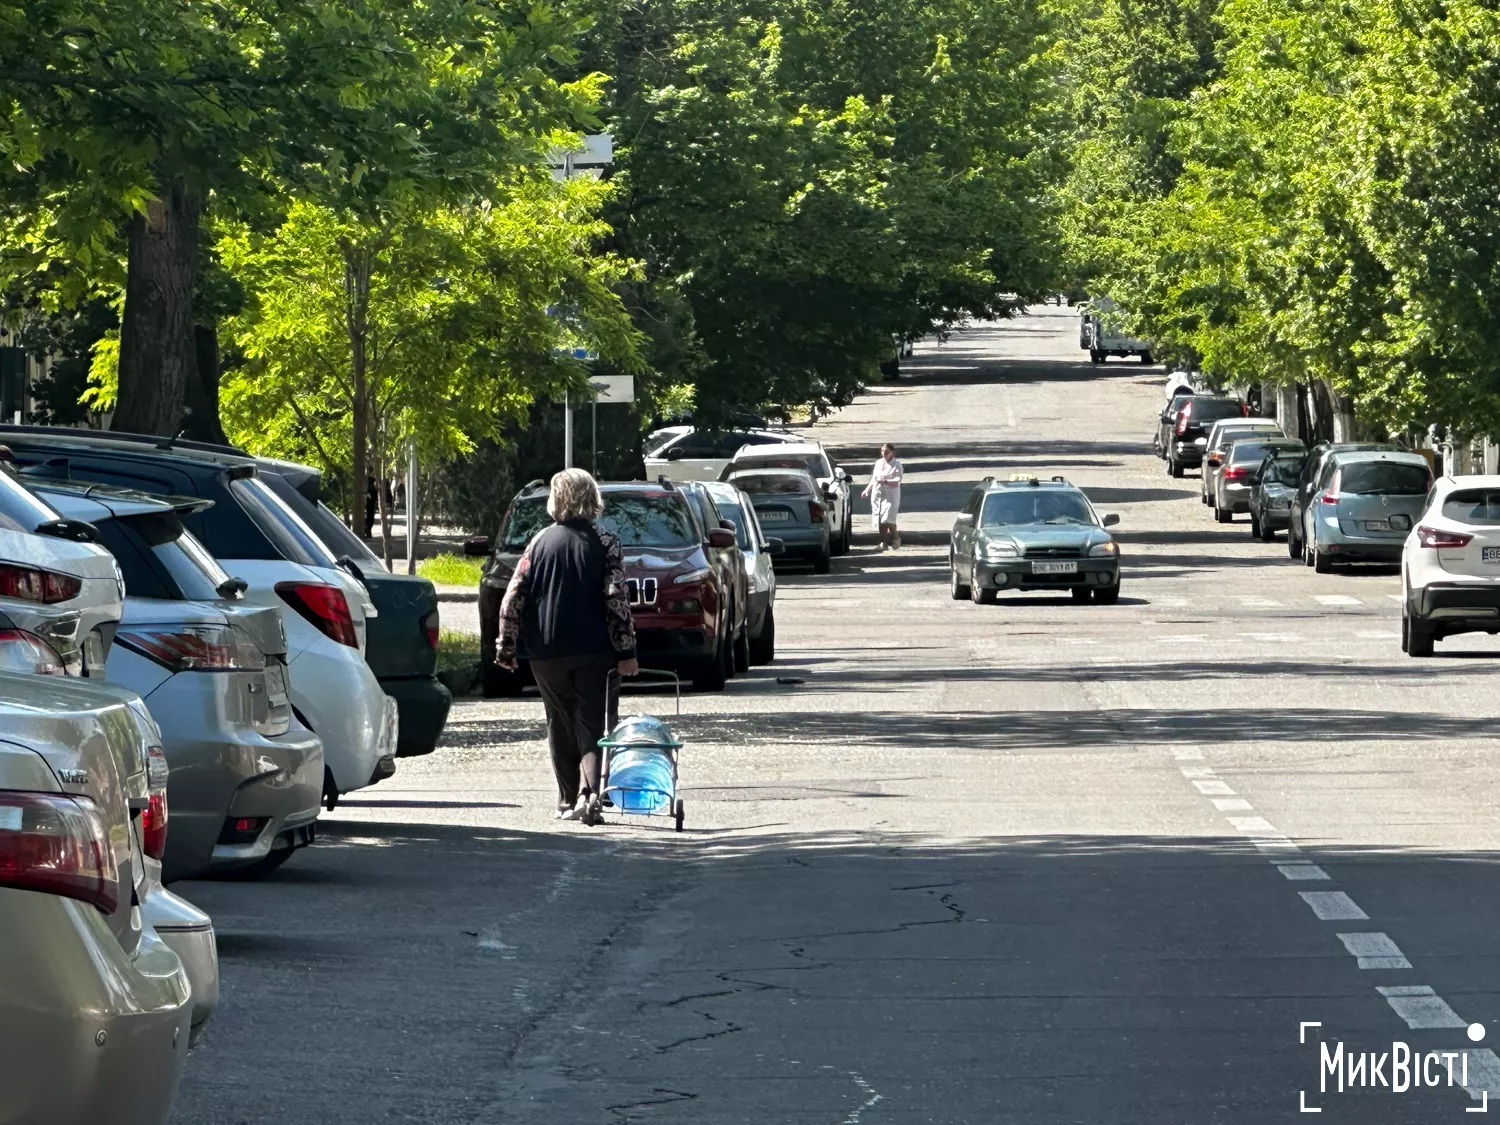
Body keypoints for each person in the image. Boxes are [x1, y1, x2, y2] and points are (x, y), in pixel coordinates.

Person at [496, 469, 638, 825]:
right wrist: (626, 651)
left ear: (556, 500)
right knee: (594, 722)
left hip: (546, 649)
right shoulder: (606, 542)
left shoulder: (539, 542)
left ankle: (564, 800)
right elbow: (616, 597)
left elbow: (513, 597)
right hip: (595, 648)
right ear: (593, 499)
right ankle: (590, 795)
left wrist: (507, 647)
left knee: (559, 720)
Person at [862, 443, 904, 550]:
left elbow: (897, 480)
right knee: (880, 520)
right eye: (882, 451)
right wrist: (867, 490)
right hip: (878, 494)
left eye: (886, 452)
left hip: (891, 496)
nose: (883, 454)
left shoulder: (897, 465)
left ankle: (896, 537)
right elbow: (874, 478)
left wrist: (886, 481)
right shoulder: (878, 463)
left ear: (892, 453)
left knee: (888, 519)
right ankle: (883, 543)